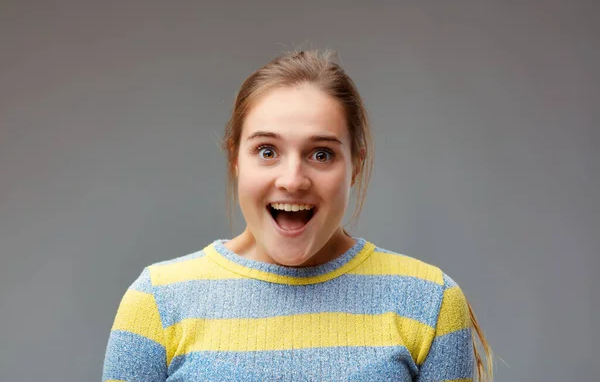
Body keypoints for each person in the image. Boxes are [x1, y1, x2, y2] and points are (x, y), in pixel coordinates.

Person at [102, 49, 493, 381]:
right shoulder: (156, 301)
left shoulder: (430, 302)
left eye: (321, 154)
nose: (292, 180)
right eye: (267, 151)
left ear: (354, 165)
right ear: (235, 158)